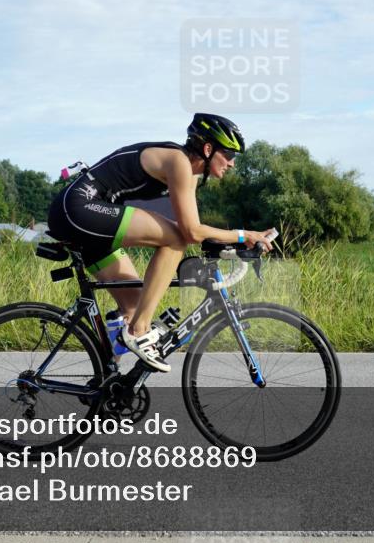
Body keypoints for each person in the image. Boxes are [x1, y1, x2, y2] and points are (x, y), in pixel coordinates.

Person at [46, 113, 275, 372]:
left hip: (86, 214)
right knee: (176, 239)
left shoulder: (188, 174)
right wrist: (245, 235)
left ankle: (108, 379)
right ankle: (139, 331)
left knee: (134, 305)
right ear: (209, 149)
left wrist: (230, 242)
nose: (232, 164)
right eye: (230, 155)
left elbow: (196, 229)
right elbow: (190, 233)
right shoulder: (179, 162)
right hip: (79, 208)